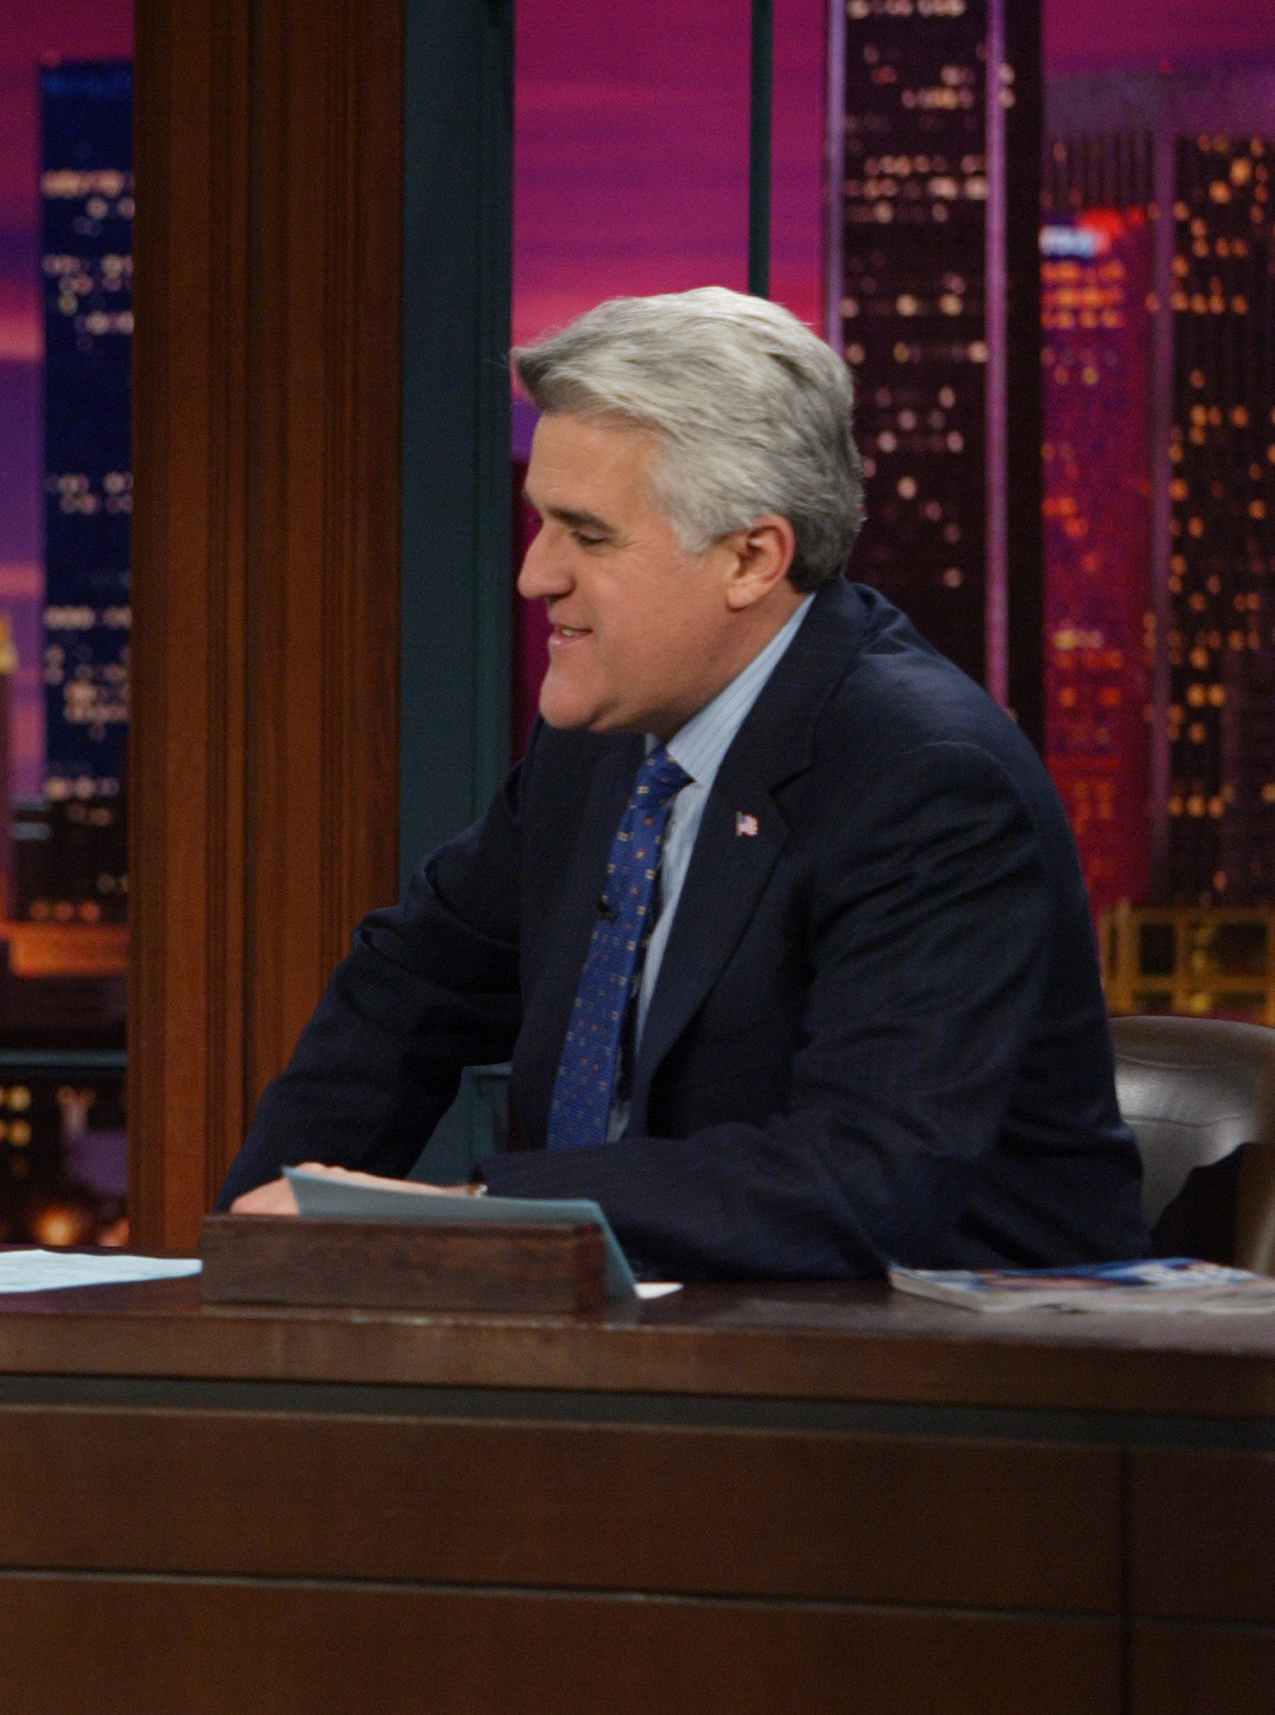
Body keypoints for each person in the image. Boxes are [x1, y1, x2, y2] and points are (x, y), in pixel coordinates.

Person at [219, 288, 1148, 1278]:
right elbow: (408, 987)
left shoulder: (925, 780)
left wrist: (481, 1215)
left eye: (588, 533)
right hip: (662, 1350)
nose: (536, 574)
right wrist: (249, 1251)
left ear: (751, 556)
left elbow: (864, 1180)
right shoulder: (610, 735)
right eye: (540, 522)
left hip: (949, 1382)